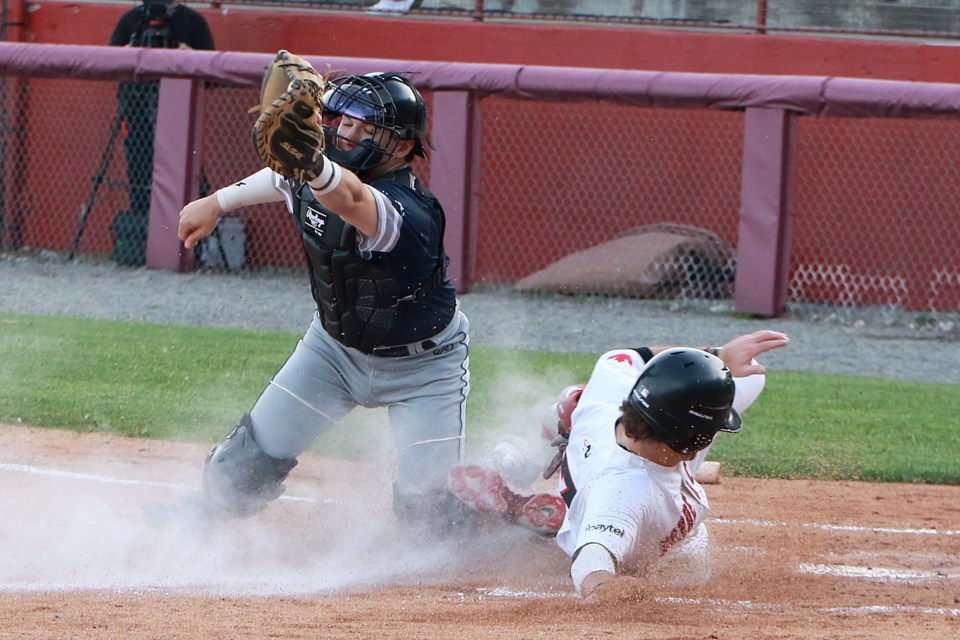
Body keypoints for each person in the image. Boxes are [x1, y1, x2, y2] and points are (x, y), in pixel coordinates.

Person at [150, 71, 472, 535]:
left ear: (402, 147)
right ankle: (202, 520)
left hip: (424, 370)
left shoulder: (409, 213)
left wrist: (312, 163)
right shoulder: (314, 169)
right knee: (238, 469)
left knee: (432, 523)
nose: (348, 132)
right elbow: (286, 175)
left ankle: (502, 488)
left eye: (369, 126)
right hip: (333, 352)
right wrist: (219, 201)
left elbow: (349, 197)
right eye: (345, 119)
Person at [447, 330, 790, 597]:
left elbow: (637, 356)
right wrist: (610, 592)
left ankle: (518, 459)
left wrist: (719, 356)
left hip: (590, 453)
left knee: (571, 402)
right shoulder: (624, 492)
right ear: (690, 441)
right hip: (623, 527)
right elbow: (591, 564)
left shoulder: (618, 384)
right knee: (693, 565)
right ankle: (563, 524)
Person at [108, 0, 215, 265]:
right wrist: (128, 55)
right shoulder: (132, 20)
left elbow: (214, 74)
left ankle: (188, 246)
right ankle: (140, 246)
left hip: (181, 117)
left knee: (184, 172)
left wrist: (190, 56)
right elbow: (106, 64)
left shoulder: (192, 22)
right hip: (135, 114)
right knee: (139, 172)